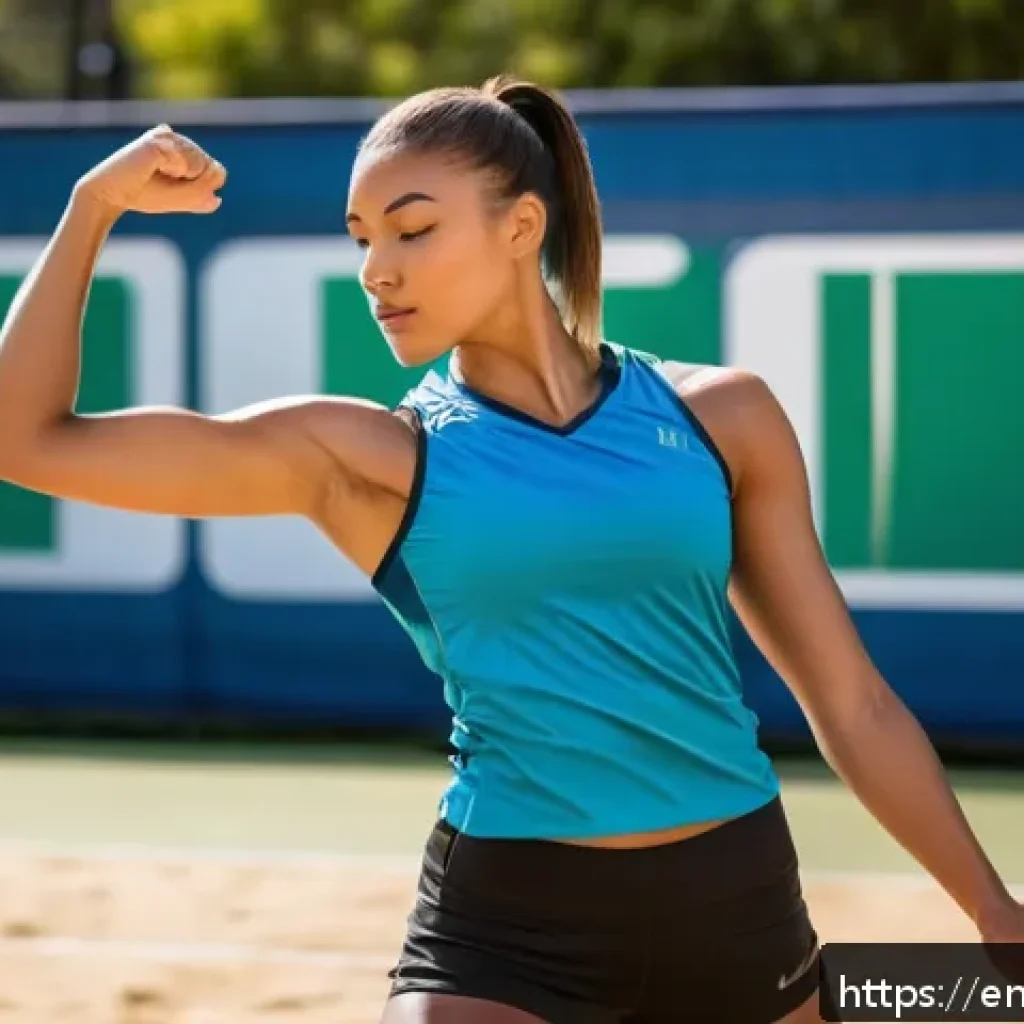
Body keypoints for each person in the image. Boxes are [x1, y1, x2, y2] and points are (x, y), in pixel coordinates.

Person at [0, 76, 1021, 1024]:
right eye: (361, 240)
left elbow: (852, 701)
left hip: (738, 904)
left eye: (412, 230)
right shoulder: (366, 456)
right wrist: (92, 205)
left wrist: (991, 907)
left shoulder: (723, 416)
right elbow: (23, 440)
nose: (376, 270)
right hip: (504, 929)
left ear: (520, 225)